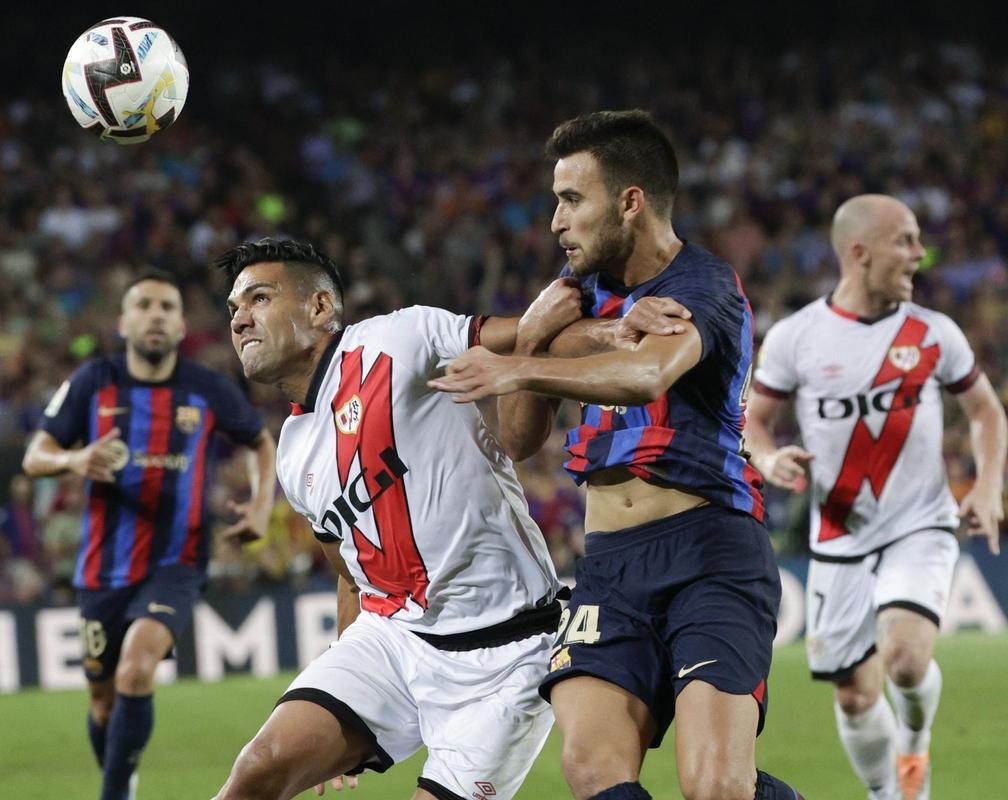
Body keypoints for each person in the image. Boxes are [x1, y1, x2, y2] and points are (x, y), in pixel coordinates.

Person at [210, 237, 686, 800]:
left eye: (259, 299)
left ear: (319, 308)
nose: (240, 320)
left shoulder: (394, 340)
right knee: (256, 770)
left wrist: (615, 328)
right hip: (394, 640)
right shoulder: (292, 449)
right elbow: (350, 572)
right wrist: (345, 693)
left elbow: (527, 333)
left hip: (509, 650)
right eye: (234, 309)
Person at [430, 110, 804, 800]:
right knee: (593, 768)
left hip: (710, 551)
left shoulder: (704, 287)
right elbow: (517, 440)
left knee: (717, 787)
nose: (555, 222)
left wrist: (516, 366)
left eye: (572, 200)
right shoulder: (573, 296)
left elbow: (646, 375)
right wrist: (536, 336)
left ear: (630, 202)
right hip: (609, 566)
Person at [745, 194, 1007, 800]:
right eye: (907, 241)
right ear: (859, 253)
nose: (920, 254)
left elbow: (986, 413)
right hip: (837, 535)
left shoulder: (934, 333)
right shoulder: (797, 338)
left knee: (906, 661)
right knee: (855, 695)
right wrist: (769, 456)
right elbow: (754, 420)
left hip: (921, 523)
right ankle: (890, 793)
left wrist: (989, 484)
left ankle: (914, 744)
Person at [22, 269, 277, 800]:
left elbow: (259, 442)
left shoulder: (206, 388)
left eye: (167, 306)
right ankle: (124, 777)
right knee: (102, 703)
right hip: (102, 569)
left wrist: (259, 505)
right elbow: (35, 457)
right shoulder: (93, 381)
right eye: (144, 305)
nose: (155, 315)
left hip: (176, 562)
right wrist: (76, 458)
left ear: (182, 325)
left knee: (137, 669)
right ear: (124, 320)